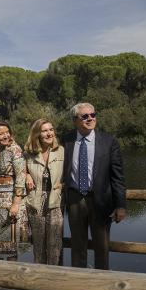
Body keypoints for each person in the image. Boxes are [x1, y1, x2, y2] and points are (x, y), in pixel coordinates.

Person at [61, 102, 127, 270]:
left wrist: (120, 205)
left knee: (102, 246)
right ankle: (79, 282)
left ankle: (102, 280)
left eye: (93, 115)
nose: (90, 118)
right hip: (75, 199)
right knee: (77, 245)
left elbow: (117, 176)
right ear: (75, 120)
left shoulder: (108, 141)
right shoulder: (66, 140)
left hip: (101, 200)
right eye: (85, 116)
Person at [0, 120, 28, 261]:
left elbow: (21, 176)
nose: (5, 136)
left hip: (9, 201)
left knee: (10, 246)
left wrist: (16, 203)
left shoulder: (14, 149)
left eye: (7, 132)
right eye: (0, 133)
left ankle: (11, 280)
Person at [24, 118, 64, 265]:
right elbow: (20, 171)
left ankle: (52, 281)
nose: (49, 133)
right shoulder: (29, 154)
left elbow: (71, 173)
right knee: (38, 246)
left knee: (54, 246)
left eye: (51, 129)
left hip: (55, 203)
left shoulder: (61, 151)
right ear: (37, 134)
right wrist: (27, 175)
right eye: (45, 130)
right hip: (36, 205)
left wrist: (63, 185)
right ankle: (38, 281)